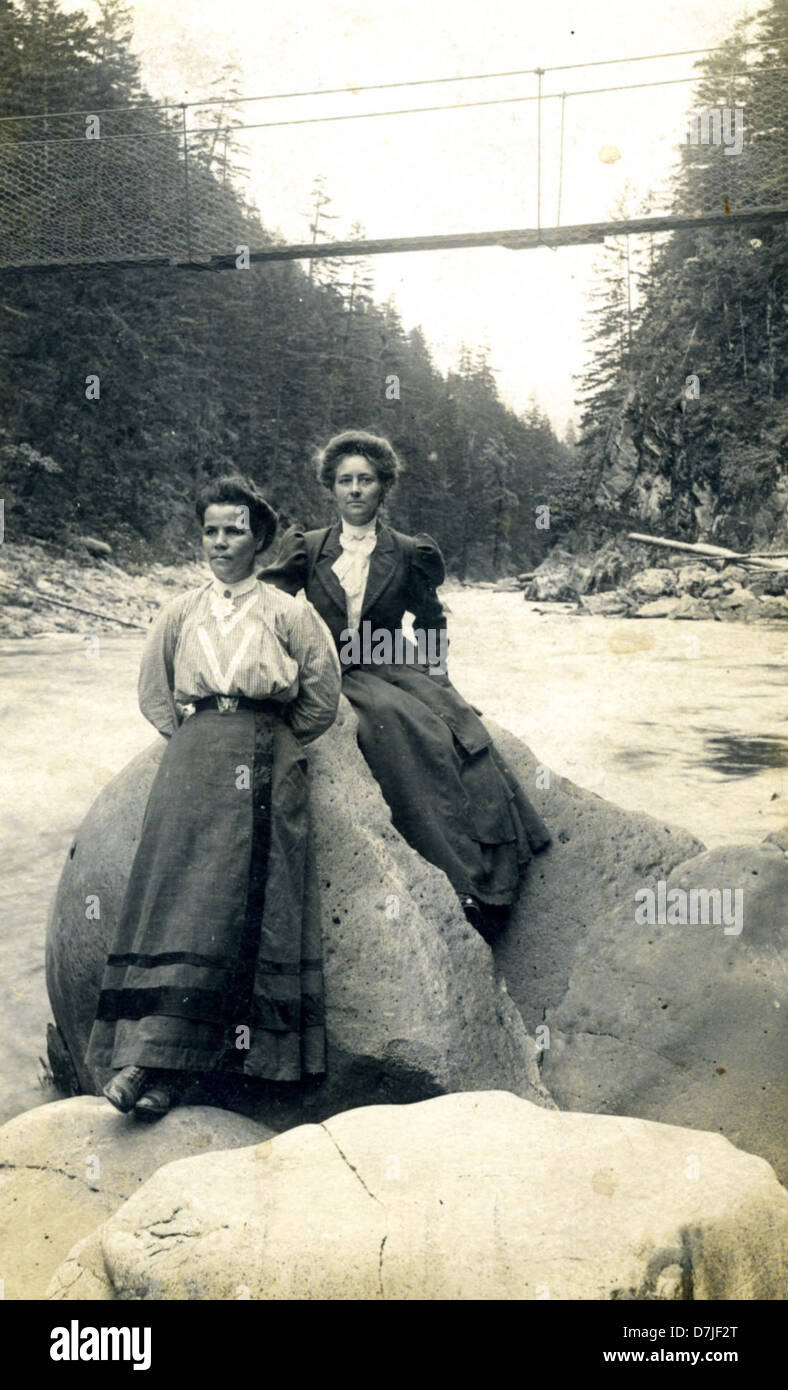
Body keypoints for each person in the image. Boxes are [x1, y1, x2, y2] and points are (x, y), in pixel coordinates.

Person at [86, 475, 341, 1119]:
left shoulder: (288, 611)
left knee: (244, 909)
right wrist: (201, 739)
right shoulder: (178, 612)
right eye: (210, 530)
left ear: (259, 537)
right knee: (174, 900)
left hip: (265, 761)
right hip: (193, 761)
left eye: (234, 530)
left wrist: (267, 739)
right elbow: (155, 695)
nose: (221, 542)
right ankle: (149, 1059)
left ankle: (180, 1077)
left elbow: (320, 698)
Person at [260, 430, 550, 941]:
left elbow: (432, 621)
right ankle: (456, 873)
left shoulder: (408, 551)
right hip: (330, 669)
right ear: (331, 487)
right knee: (390, 725)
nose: (354, 490)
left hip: (393, 666)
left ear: (383, 488)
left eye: (365, 480)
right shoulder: (307, 548)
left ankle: (480, 879)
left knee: (452, 733)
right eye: (345, 480)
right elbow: (266, 607)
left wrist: (438, 678)